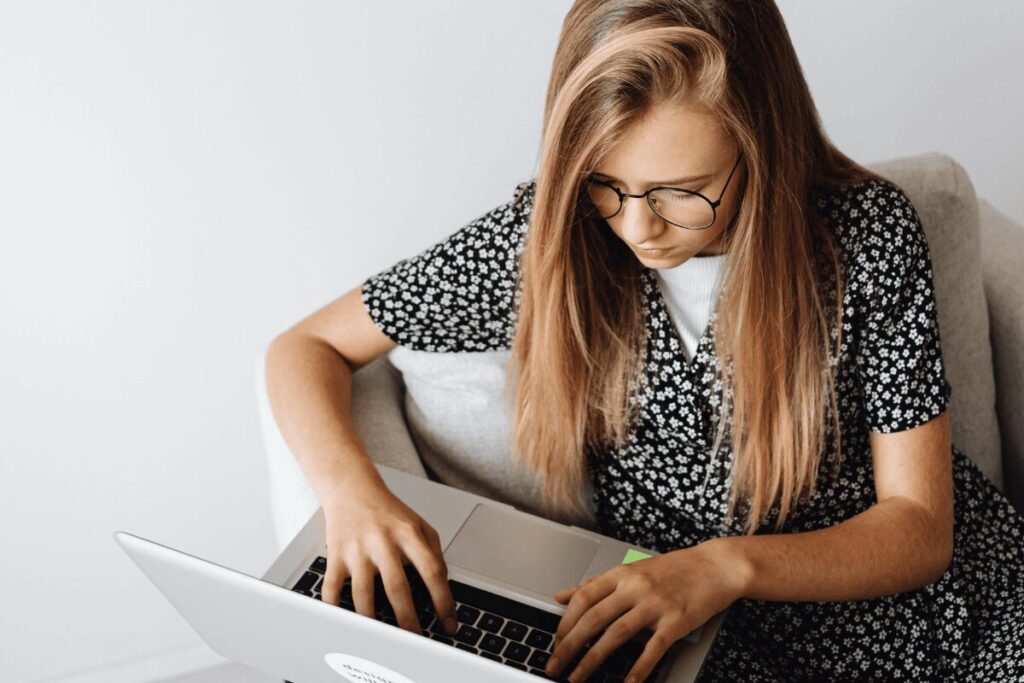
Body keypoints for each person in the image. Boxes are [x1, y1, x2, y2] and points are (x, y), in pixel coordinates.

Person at [265, 1, 1024, 681]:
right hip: (700, 633)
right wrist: (351, 492)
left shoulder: (870, 236)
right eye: (607, 184)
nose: (637, 228)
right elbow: (305, 349)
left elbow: (920, 528)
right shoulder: (550, 244)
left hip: (922, 612)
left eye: (681, 193)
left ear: (762, 146)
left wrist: (726, 565)